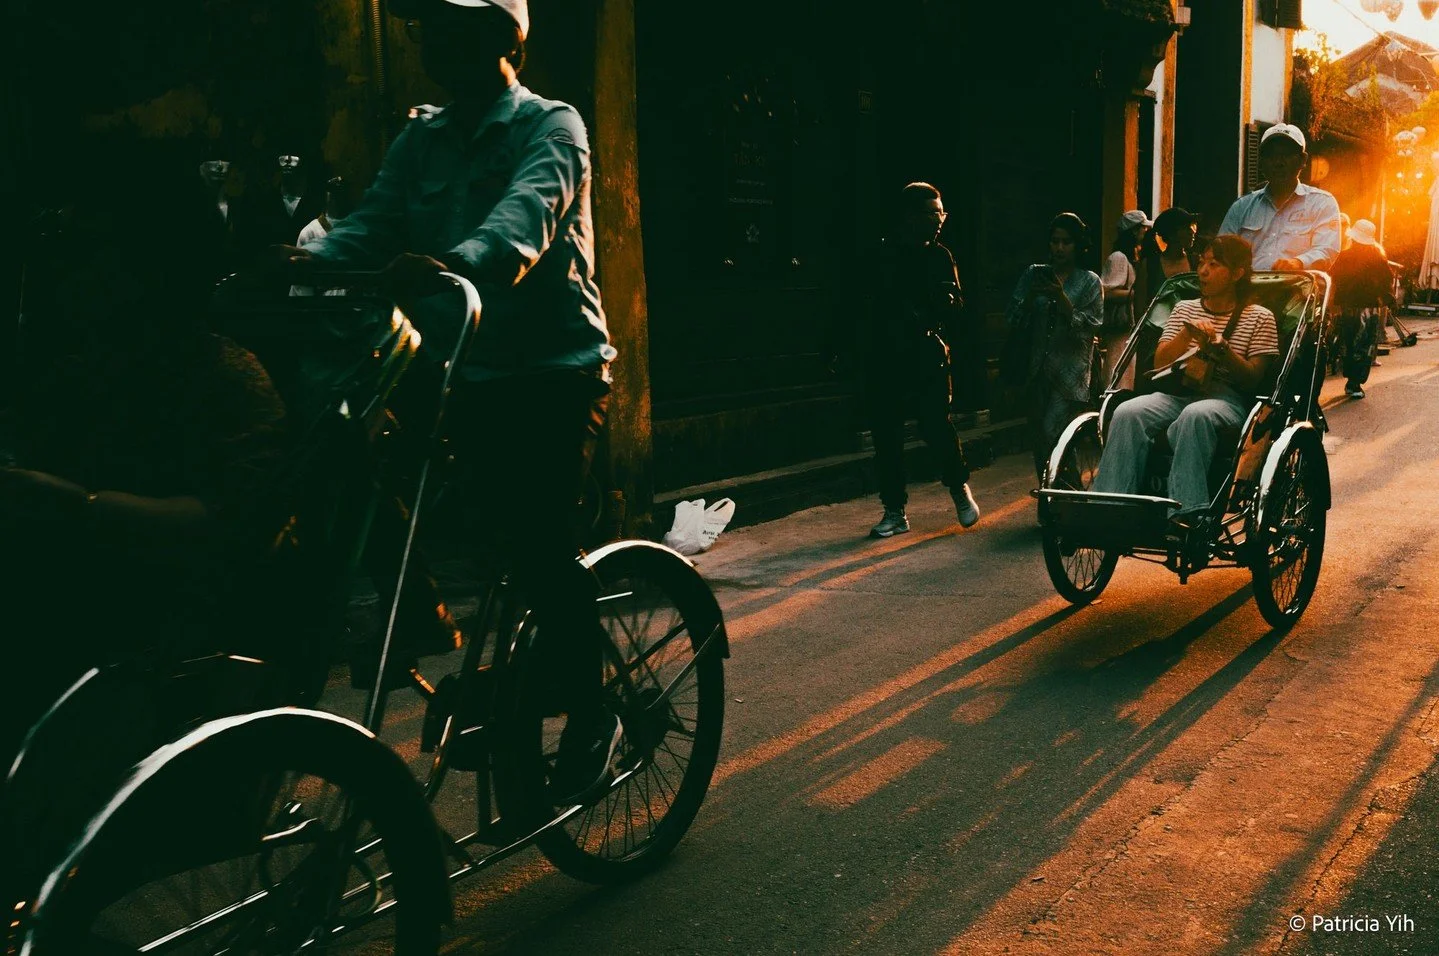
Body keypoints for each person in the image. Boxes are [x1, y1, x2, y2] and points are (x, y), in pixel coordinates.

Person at [276, 0, 621, 804]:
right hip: (457, 364)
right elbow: (369, 225)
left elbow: (519, 229)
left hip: (553, 372)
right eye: (426, 27)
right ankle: (436, 641)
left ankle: (591, 703)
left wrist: (445, 264)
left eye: (455, 26)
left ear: (505, 38)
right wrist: (299, 266)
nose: (434, 41)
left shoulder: (551, 126)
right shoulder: (421, 137)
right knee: (359, 481)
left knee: (536, 543)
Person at [1, 150, 289, 770]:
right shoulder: (70, 373)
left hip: (156, 637)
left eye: (89, 248)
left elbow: (233, 529)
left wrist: (76, 508)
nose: (64, 266)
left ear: (149, 263)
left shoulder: (224, 379)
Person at [1091, 235, 1279, 522]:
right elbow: (1160, 363)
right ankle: (1112, 506)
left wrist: (1223, 350)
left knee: (1196, 415)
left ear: (1237, 273)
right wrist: (1186, 335)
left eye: (1214, 265)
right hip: (1177, 392)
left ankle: (1187, 513)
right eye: (1202, 262)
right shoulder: (1184, 309)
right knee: (1127, 411)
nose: (1202, 271)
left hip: (1226, 400)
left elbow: (1253, 379)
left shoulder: (1259, 317)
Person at [861, 182, 980, 539]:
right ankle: (894, 510)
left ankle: (959, 488)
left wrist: (943, 301)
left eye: (941, 212)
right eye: (932, 213)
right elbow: (864, 303)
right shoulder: (882, 255)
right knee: (887, 433)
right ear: (910, 217)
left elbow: (956, 303)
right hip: (887, 355)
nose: (939, 219)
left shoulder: (940, 256)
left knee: (935, 425)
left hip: (927, 352)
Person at [1005, 212, 1104, 482]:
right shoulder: (1034, 275)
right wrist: (1030, 299)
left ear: (1078, 245)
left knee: (1055, 434)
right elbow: (1012, 318)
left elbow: (1090, 326)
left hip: (1070, 375)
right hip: (1036, 371)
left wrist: (1061, 299)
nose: (1059, 248)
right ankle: (1053, 500)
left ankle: (1065, 494)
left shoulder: (1089, 282)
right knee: (1040, 438)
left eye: (1066, 242)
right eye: (1055, 241)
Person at [1217, 124, 1341, 273]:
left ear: (1303, 160)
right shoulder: (1241, 207)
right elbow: (1220, 252)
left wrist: (1298, 263)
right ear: (1261, 162)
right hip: (1248, 293)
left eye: (1287, 155)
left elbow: (1326, 250)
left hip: (1298, 292)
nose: (1279, 162)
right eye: (1271, 156)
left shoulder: (1321, 203)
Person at [1330, 218, 1394, 399]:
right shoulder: (1378, 257)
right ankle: (1355, 382)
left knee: (1350, 341)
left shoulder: (1344, 256)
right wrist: (1387, 299)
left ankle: (1351, 380)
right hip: (1370, 306)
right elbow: (1387, 280)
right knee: (1365, 344)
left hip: (1349, 305)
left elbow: (1335, 278)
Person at [1099, 209, 1150, 388]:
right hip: (1120, 330)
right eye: (1143, 228)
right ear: (1135, 231)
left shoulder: (1131, 257)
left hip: (1128, 331)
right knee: (1119, 376)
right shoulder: (1119, 258)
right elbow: (1107, 292)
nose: (1146, 232)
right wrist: (1137, 296)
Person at [1137, 206, 1199, 313]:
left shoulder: (1197, 262)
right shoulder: (1150, 265)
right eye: (1185, 228)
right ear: (1171, 234)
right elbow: (1140, 306)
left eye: (1192, 227)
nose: (1192, 232)